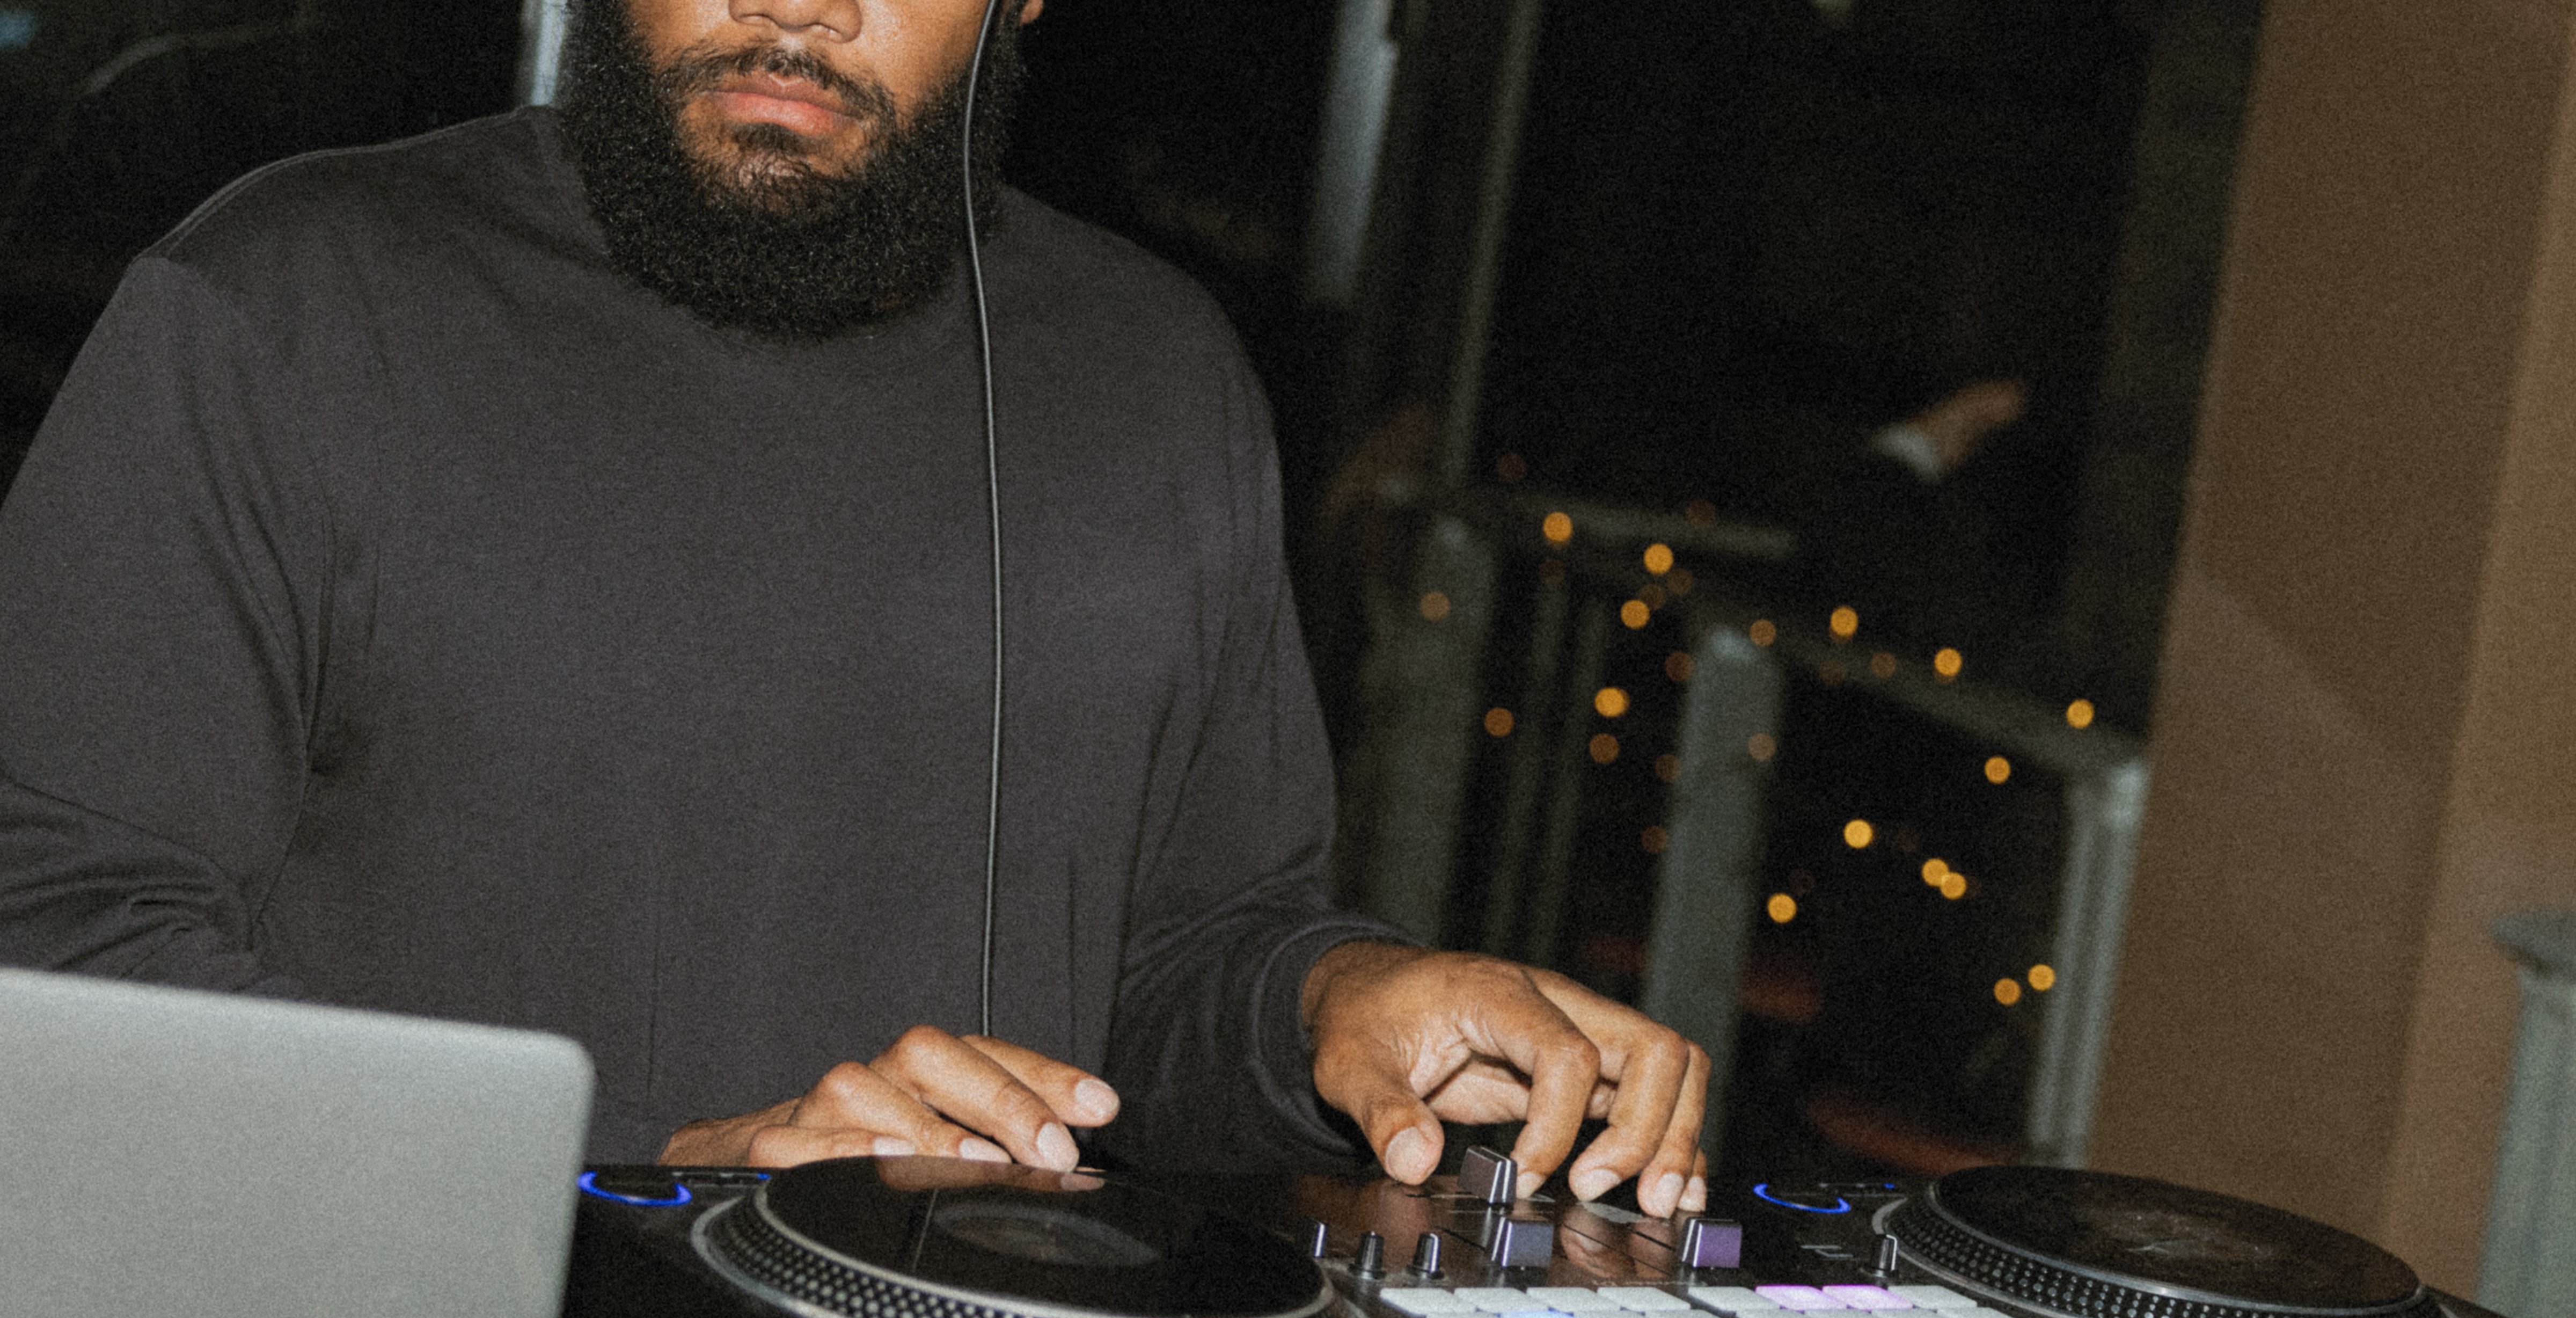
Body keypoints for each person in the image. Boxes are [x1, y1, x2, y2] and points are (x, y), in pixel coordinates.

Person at [0, 0, 1712, 1218]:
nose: (801, 4)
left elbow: (1173, 955)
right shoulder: (281, 305)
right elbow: (56, 956)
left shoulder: (1159, 382)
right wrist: (652, 1172)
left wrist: (1331, 1008)